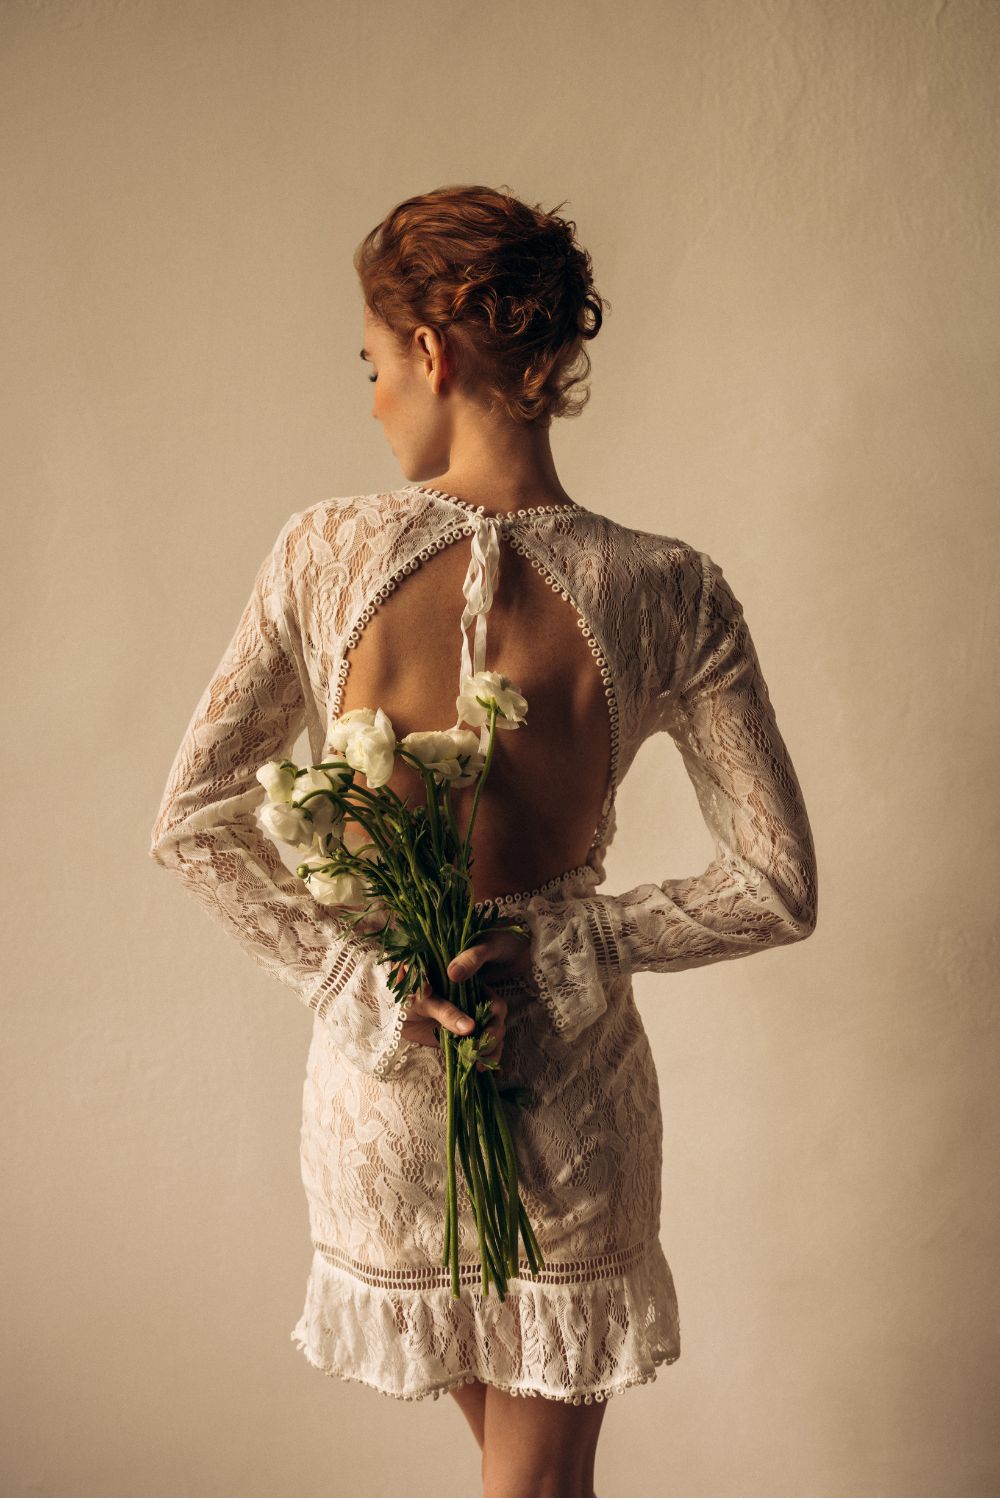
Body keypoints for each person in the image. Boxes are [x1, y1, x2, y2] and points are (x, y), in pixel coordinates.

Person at [149, 183, 818, 1499]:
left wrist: (360, 978)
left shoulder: (323, 552)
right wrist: (576, 934)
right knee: (538, 1485)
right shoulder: (669, 590)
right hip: (569, 1079)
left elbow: (194, 816)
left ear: (436, 353)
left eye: (372, 362)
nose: (376, 395)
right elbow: (775, 886)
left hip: (386, 1076)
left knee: (527, 1486)